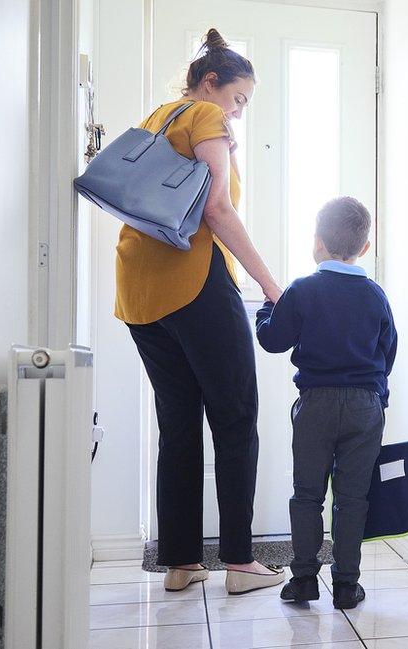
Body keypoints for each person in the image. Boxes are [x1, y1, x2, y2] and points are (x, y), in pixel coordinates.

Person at [116, 28, 285, 595]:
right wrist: (269, 282)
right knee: (236, 416)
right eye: (238, 99)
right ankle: (239, 563)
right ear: (209, 83)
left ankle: (182, 562)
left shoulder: (156, 119)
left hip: (139, 291)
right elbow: (217, 209)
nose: (237, 114)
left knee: (178, 423)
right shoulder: (204, 118)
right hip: (194, 281)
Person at [255, 196, 398, 609]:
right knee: (353, 497)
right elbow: (387, 352)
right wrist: (377, 398)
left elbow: (272, 340)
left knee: (307, 494)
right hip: (365, 407)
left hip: (315, 404)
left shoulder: (302, 291)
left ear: (317, 242)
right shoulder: (375, 296)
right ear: (364, 248)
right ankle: (346, 585)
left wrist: (269, 305)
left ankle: (303, 580)